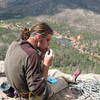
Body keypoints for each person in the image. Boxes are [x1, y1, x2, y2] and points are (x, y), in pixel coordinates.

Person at [4, 22, 81, 100]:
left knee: (54, 72)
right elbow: (39, 91)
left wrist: (40, 59)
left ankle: (72, 77)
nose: (48, 44)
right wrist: (46, 65)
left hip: (18, 87)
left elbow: (26, 66)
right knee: (61, 81)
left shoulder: (16, 43)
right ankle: (70, 79)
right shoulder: (32, 54)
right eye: (47, 40)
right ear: (39, 37)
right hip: (30, 96)